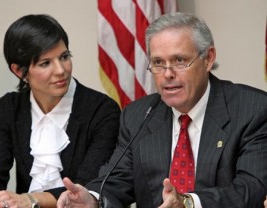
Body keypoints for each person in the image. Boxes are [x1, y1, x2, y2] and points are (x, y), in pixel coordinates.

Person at [56, 12, 267, 208]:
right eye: (158, 62)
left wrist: (188, 203)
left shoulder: (252, 109)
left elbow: (253, 188)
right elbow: (117, 180)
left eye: (180, 60)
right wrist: (93, 199)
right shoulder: (139, 115)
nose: (167, 74)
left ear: (208, 58)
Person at [0, 14, 120, 208]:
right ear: (18, 70)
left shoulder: (102, 110)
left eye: (64, 57)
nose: (61, 70)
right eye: (45, 63)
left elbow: (88, 186)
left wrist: (29, 200)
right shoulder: (9, 107)